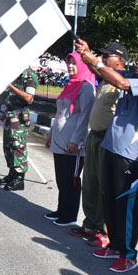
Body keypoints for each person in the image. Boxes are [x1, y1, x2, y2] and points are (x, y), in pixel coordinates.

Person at [76, 38, 138, 273]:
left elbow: (122, 83)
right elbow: (112, 72)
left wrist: (95, 63)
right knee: (109, 200)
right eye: (136, 58)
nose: (136, 62)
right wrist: (87, 54)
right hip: (112, 147)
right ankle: (114, 245)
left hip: (132, 155)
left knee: (126, 205)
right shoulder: (135, 75)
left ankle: (128, 254)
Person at [69, 42, 127, 248]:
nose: (102, 59)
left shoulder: (123, 81)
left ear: (120, 60)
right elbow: (94, 67)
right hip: (94, 137)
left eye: (107, 56)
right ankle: (90, 223)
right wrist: (85, 52)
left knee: (104, 186)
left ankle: (104, 230)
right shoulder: (104, 79)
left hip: (108, 139)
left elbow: (106, 73)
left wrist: (93, 59)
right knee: (90, 183)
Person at [45, 51, 95, 226]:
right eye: (69, 63)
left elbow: (84, 117)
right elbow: (59, 113)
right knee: (61, 178)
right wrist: (51, 133)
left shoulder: (86, 87)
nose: (71, 66)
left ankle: (70, 215)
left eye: (74, 63)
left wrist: (75, 140)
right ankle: (61, 209)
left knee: (71, 180)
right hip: (59, 140)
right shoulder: (70, 84)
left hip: (72, 143)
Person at [0, 67, 39, 191]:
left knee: (17, 146)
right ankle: (12, 174)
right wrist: (4, 114)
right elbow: (11, 97)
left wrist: (11, 87)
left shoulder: (29, 76)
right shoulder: (16, 73)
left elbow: (28, 97)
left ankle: (19, 179)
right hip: (11, 114)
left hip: (19, 117)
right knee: (8, 146)